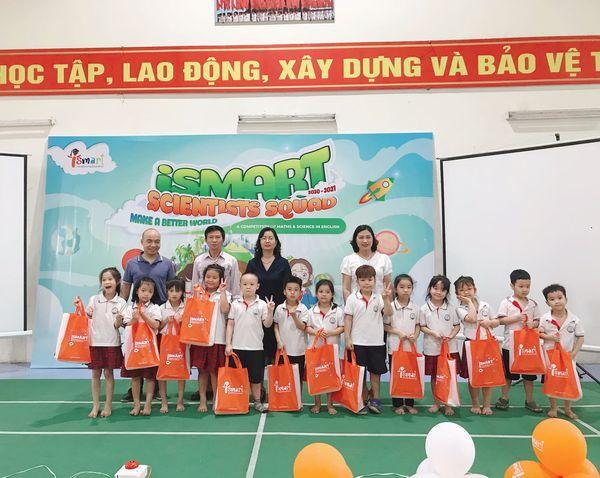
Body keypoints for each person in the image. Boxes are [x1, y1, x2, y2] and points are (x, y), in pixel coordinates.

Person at [120, 228, 176, 402]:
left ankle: (157, 387)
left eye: (157, 241)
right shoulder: (132, 264)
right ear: (142, 242)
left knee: (156, 350)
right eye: (149, 241)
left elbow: (172, 288)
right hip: (138, 315)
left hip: (158, 315)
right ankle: (135, 388)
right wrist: (121, 310)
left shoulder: (167, 264)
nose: (153, 244)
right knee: (138, 349)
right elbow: (126, 288)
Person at [344, 265, 393, 414]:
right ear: (357, 281)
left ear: (375, 280)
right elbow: (348, 319)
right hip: (357, 343)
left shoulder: (379, 298)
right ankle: (362, 400)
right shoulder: (352, 298)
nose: (367, 283)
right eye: (363, 280)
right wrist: (347, 337)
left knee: (375, 374)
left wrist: (386, 299)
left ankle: (375, 400)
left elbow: (389, 313)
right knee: (359, 374)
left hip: (376, 343)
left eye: (370, 279)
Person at [225, 273, 276, 413]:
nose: (248, 287)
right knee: (237, 377)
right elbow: (230, 324)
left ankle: (257, 402)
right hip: (237, 348)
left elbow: (267, 324)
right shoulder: (235, 304)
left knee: (256, 378)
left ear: (257, 286)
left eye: (252, 284)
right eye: (245, 284)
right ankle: (239, 402)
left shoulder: (263, 304)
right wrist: (228, 344)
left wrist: (270, 311)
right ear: (240, 286)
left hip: (256, 348)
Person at [494, 269, 543, 413]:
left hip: (528, 346)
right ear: (512, 285)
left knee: (529, 376)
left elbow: (538, 321)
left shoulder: (533, 304)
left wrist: (533, 324)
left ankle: (530, 400)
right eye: (521, 286)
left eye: (528, 286)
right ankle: (504, 398)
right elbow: (500, 320)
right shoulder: (506, 302)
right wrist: (515, 318)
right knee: (508, 375)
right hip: (510, 346)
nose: (525, 289)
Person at [85, 267, 127, 418]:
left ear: (117, 281)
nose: (107, 282)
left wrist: (119, 320)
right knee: (95, 374)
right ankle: (95, 405)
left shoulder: (121, 302)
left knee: (109, 374)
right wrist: (84, 309)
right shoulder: (94, 299)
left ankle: (108, 405)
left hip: (112, 342)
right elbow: (88, 315)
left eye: (110, 279)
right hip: (95, 342)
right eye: (104, 280)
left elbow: (118, 326)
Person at [539, 284, 585, 419]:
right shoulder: (545, 318)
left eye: (560, 298)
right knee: (553, 381)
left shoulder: (574, 320)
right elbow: (539, 333)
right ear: (547, 302)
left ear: (566, 299)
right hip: (550, 356)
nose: (557, 301)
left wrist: (573, 353)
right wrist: (550, 337)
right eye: (552, 299)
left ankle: (567, 409)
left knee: (567, 381)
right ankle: (553, 408)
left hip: (568, 356)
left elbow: (581, 337)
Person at [454, 276, 499, 416]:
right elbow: (472, 318)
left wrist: (490, 323)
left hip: (488, 344)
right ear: (457, 294)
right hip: (472, 344)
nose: (466, 292)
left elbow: (497, 321)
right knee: (473, 377)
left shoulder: (485, 305)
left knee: (488, 375)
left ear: (475, 289)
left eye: (469, 289)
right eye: (462, 290)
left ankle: (487, 405)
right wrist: (469, 302)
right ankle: (475, 403)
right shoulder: (460, 308)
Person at [245, 227, 291, 363]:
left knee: (277, 349)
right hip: (256, 311)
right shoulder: (253, 263)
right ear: (259, 242)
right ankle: (258, 376)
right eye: (264, 238)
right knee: (258, 349)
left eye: (270, 238)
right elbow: (246, 286)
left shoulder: (283, 263)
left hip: (278, 311)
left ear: (276, 242)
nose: (267, 241)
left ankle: (276, 376)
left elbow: (288, 288)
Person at [191, 264, 231, 413]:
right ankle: (202, 400)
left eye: (214, 277)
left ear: (221, 279)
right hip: (200, 339)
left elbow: (225, 310)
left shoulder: (225, 294)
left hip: (217, 339)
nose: (210, 280)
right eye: (208, 277)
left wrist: (223, 292)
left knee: (214, 371)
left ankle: (215, 399)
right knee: (202, 371)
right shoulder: (198, 293)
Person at [419, 275, 461, 416]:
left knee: (448, 376)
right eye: (435, 288)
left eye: (442, 289)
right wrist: (433, 333)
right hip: (431, 348)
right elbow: (422, 327)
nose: (438, 292)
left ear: (447, 292)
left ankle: (447, 404)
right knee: (434, 377)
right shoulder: (424, 309)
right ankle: (437, 402)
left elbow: (457, 326)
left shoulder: (451, 308)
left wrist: (451, 335)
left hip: (450, 349)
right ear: (429, 289)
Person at [121, 277, 162, 416]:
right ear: (137, 291)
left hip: (149, 349)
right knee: (135, 378)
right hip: (133, 349)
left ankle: (148, 404)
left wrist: (143, 314)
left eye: (150, 291)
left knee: (150, 378)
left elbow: (156, 325)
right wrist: (134, 318)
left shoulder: (155, 308)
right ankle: (137, 404)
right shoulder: (130, 308)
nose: (146, 294)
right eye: (143, 290)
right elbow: (126, 324)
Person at [306, 279, 345, 415]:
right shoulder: (311, 311)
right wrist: (316, 332)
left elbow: (342, 328)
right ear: (316, 294)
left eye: (327, 292)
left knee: (330, 376)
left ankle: (330, 404)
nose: (324, 294)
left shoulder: (338, 311)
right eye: (321, 291)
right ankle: (317, 403)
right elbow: (307, 327)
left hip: (332, 351)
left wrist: (330, 333)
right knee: (317, 376)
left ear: (332, 294)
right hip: (315, 350)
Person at [384, 273, 420, 415]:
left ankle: (410, 404)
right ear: (395, 289)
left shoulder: (416, 308)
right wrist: (398, 332)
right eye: (402, 287)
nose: (406, 290)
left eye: (409, 287)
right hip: (394, 348)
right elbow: (385, 326)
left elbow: (418, 325)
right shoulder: (390, 307)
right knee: (397, 376)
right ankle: (398, 404)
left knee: (410, 375)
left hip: (410, 348)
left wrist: (415, 335)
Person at [273, 275, 309, 395]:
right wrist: (279, 341)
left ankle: (297, 400)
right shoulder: (279, 308)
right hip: (283, 349)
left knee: (298, 377)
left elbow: (303, 327)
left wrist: (294, 315)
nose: (292, 292)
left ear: (300, 292)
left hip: (299, 350)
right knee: (283, 377)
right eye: (289, 289)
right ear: (284, 291)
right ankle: (285, 399)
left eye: (296, 289)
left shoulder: (303, 308)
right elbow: (276, 325)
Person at [341, 225, 392, 302]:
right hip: (356, 306)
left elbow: (388, 287)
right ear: (355, 240)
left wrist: (389, 307)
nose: (365, 241)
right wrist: (349, 307)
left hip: (380, 305)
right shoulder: (348, 260)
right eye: (361, 237)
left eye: (368, 237)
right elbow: (346, 289)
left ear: (373, 239)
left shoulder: (384, 259)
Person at [158, 278, 187, 414]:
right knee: (163, 373)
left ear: (182, 292)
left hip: (182, 343)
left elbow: (192, 326)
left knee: (181, 372)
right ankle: (164, 402)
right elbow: (157, 328)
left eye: (178, 291)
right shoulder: (161, 308)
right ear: (167, 292)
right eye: (171, 290)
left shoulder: (186, 307)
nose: (174, 294)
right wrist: (165, 321)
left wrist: (182, 321)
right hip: (165, 343)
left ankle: (180, 401)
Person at [191, 225, 241, 298]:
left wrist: (235, 300)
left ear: (223, 239)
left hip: (225, 300)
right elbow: (195, 283)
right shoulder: (199, 260)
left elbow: (235, 285)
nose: (214, 240)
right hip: (203, 301)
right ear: (206, 240)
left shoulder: (231, 260)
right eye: (211, 237)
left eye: (217, 237)